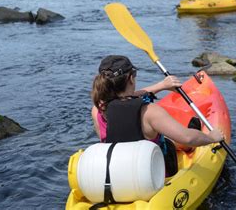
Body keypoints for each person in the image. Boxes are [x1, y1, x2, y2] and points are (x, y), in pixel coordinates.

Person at [90, 55, 224, 175]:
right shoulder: (149, 111)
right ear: (131, 78)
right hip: (151, 176)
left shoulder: (97, 109)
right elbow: (187, 138)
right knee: (180, 138)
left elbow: (121, 100)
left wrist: (161, 86)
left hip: (117, 174)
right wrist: (212, 137)